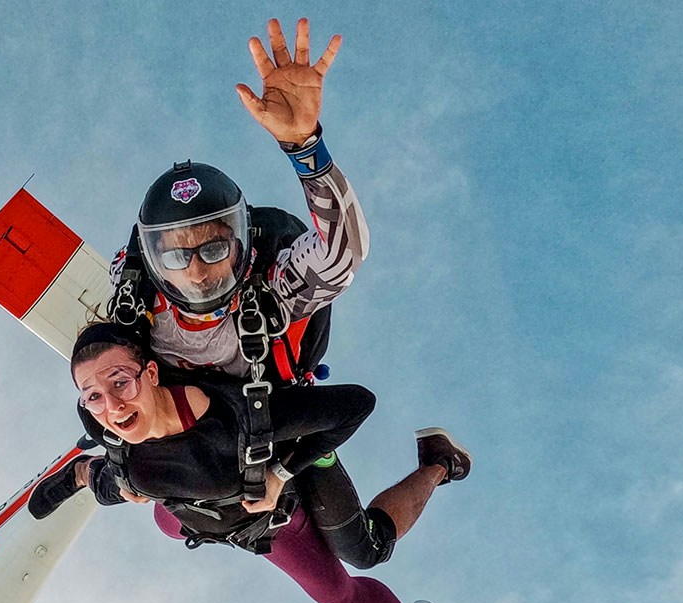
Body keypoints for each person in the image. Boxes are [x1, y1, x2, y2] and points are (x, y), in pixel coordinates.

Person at [104, 17, 469, 569]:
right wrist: (115, 461)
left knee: (363, 551)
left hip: (287, 431)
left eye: (213, 249)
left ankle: (438, 462)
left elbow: (342, 255)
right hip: (211, 442)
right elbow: (93, 380)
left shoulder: (269, 294)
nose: (198, 273)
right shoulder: (135, 307)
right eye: (177, 257)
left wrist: (306, 147)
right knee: (172, 513)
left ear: (244, 243)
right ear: (152, 261)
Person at [32, 324, 460, 603]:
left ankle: (440, 467)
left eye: (120, 383)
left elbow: (357, 405)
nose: (111, 406)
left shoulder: (235, 419)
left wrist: (281, 474)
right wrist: (82, 475)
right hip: (212, 519)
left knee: (361, 562)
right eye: (93, 396)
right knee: (133, 495)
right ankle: (80, 473)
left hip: (283, 484)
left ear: (151, 373)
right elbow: (111, 479)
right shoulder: (125, 456)